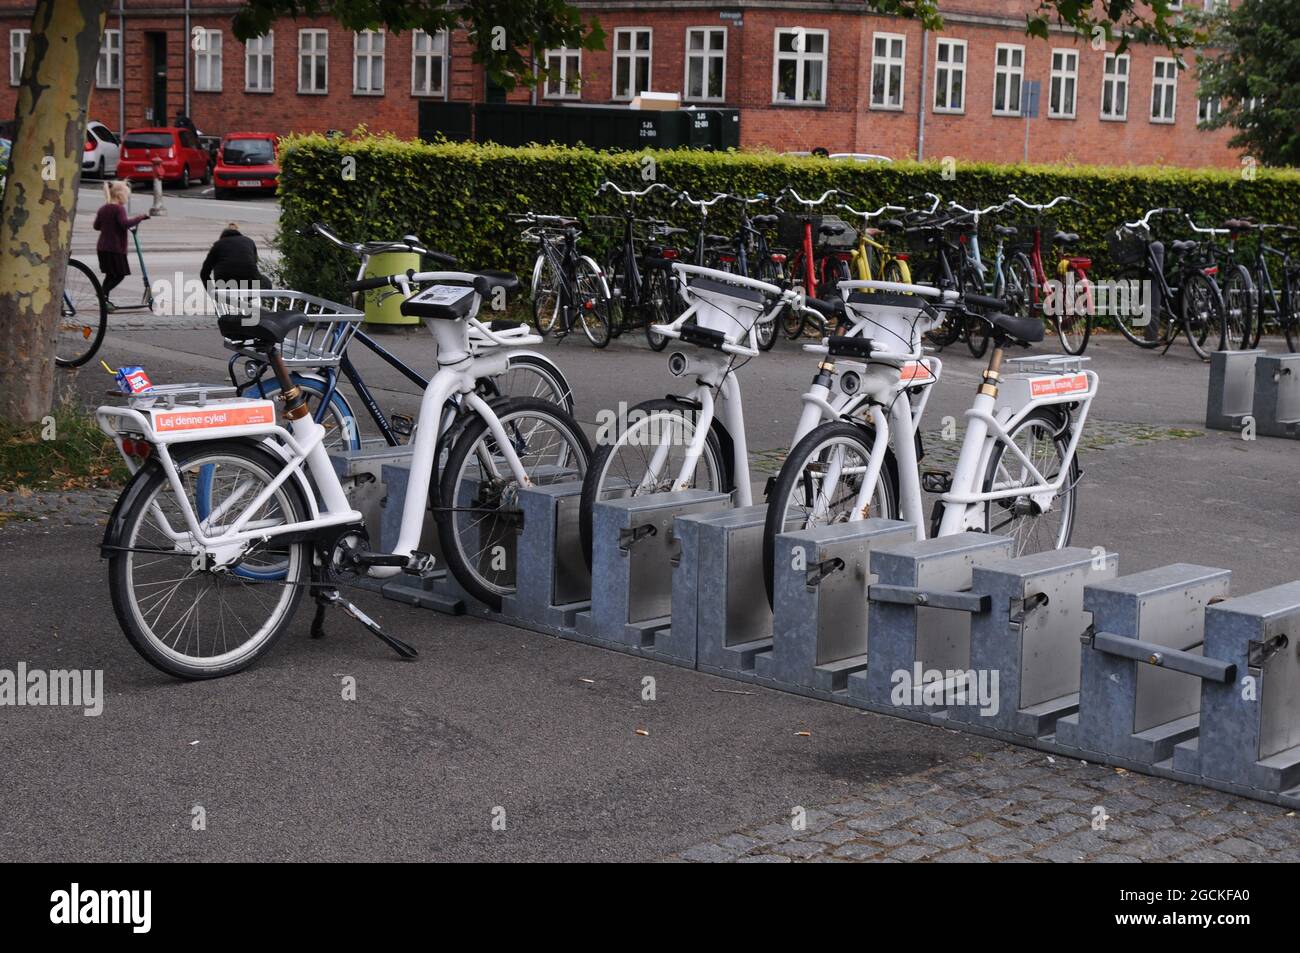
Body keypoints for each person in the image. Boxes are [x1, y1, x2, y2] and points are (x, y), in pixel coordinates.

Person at [93, 180, 150, 310]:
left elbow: (96, 226)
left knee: (110, 275)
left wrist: (107, 225)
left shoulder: (103, 208)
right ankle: (101, 294)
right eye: (127, 195)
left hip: (102, 248)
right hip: (115, 248)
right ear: (120, 195)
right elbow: (124, 224)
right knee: (119, 274)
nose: (127, 198)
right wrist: (141, 218)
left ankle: (104, 302)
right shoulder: (119, 209)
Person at [199, 222, 270, 290]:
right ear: (238, 233)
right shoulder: (249, 241)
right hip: (249, 284)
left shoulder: (218, 245)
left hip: (224, 286)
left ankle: (228, 300)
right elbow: (254, 262)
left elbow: (204, 272)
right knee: (266, 281)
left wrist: (212, 292)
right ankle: (264, 301)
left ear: (222, 236)